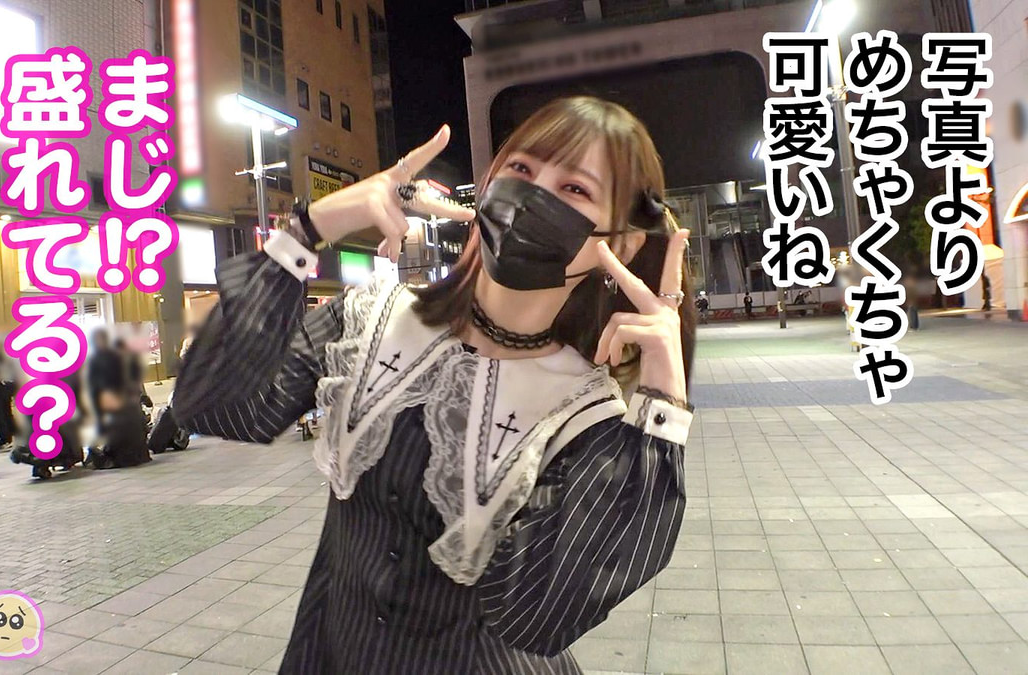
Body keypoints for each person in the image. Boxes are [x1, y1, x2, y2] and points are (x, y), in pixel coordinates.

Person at [172, 97, 694, 673]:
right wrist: (309, 228)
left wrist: (663, 406)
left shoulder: (584, 411)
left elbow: (538, 614)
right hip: (331, 653)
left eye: (574, 189)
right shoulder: (373, 321)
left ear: (621, 244)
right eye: (521, 169)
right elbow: (217, 405)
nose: (530, 197)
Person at [86, 328, 125, 435]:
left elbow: (119, 374)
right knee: (101, 418)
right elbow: (91, 378)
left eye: (101, 339)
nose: (100, 342)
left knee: (116, 417)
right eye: (97, 340)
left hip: (113, 390)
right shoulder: (93, 358)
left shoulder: (113, 356)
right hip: (98, 392)